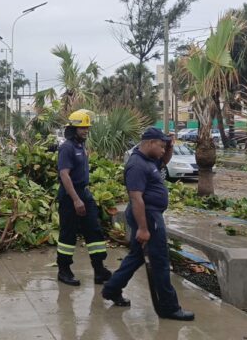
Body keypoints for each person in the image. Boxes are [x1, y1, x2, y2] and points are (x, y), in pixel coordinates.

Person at [101, 127, 194, 321]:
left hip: (150, 215)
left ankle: (111, 289)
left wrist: (169, 146)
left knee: (136, 256)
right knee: (160, 260)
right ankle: (169, 307)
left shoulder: (149, 159)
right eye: (160, 146)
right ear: (150, 143)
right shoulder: (136, 165)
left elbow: (164, 161)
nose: (162, 150)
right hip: (148, 217)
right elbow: (136, 199)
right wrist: (143, 229)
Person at [56, 109, 112, 286]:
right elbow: (65, 175)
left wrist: (83, 196)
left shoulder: (81, 146)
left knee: (94, 230)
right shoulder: (66, 148)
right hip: (69, 196)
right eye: (83, 128)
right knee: (68, 234)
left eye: (87, 127)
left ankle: (99, 269)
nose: (86, 130)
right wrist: (75, 199)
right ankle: (64, 270)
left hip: (84, 193)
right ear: (73, 129)